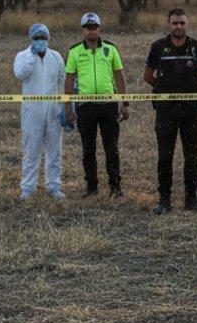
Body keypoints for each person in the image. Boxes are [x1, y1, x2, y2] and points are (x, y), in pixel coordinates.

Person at [145, 8, 197, 213]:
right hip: (166, 110)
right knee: (165, 156)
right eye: (175, 23)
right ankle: (164, 200)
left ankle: (191, 199)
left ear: (187, 24)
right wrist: (164, 89)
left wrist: (190, 88)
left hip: (191, 110)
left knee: (191, 155)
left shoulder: (196, 47)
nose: (179, 26)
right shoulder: (158, 47)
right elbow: (148, 75)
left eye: (182, 23)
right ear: (168, 24)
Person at [64, 12, 129, 198]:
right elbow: (69, 80)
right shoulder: (74, 51)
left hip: (108, 105)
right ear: (83, 30)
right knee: (88, 149)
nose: (91, 30)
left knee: (112, 148)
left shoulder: (111, 49)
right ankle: (91, 187)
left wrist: (125, 102)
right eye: (87, 27)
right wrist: (68, 108)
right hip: (86, 107)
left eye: (94, 27)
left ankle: (115, 187)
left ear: (99, 28)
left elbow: (119, 76)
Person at [14, 23, 66, 200]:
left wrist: (65, 107)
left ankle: (54, 185)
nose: (41, 41)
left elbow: (61, 81)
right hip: (32, 111)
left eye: (43, 38)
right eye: (37, 38)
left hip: (53, 110)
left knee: (54, 150)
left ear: (48, 39)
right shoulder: (22, 56)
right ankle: (28, 187)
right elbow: (20, 74)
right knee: (31, 149)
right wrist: (31, 55)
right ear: (31, 39)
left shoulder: (56, 57)